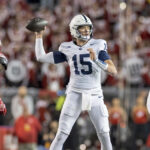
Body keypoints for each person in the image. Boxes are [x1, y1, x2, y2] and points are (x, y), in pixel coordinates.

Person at [34, 14, 117, 150]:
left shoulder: (98, 44)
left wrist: (96, 60)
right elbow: (40, 57)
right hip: (75, 94)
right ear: (73, 30)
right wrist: (38, 36)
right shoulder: (66, 47)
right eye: (82, 28)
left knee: (104, 134)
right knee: (61, 134)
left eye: (88, 28)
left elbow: (113, 70)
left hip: (94, 94)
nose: (86, 31)